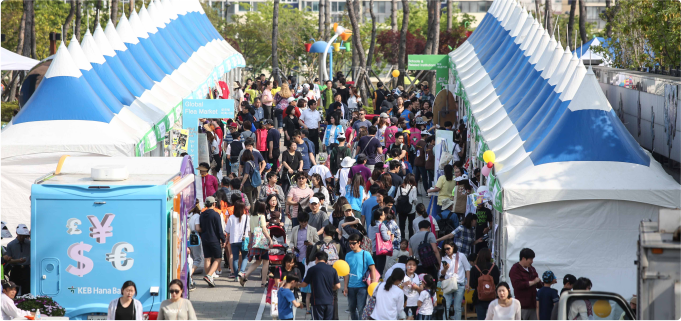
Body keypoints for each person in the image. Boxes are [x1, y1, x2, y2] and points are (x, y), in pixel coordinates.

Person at [343, 234, 378, 321]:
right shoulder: (348, 255)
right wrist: (345, 287)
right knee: (351, 309)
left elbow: (372, 269)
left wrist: (373, 284)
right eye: (350, 243)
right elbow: (346, 272)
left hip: (362, 286)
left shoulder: (366, 254)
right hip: (351, 286)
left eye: (353, 243)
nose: (351, 245)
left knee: (361, 308)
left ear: (359, 243)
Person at [301, 252, 341, 321]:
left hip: (317, 301)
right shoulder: (333, 270)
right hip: (329, 301)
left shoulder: (312, 269)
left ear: (316, 258)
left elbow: (304, 284)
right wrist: (331, 289)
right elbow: (338, 285)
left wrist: (296, 285)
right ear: (326, 260)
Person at [241, 201, 273, 287]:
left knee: (258, 261)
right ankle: (263, 282)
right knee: (266, 261)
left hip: (254, 241)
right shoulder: (261, 216)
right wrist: (270, 239)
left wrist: (250, 244)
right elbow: (264, 229)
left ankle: (245, 275)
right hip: (262, 242)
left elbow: (251, 231)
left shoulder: (251, 216)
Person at [197, 197, 226, 287]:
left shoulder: (202, 214)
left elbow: (201, 227)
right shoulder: (215, 214)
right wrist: (223, 239)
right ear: (214, 204)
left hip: (204, 238)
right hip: (214, 239)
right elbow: (219, 229)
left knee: (207, 258)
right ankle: (209, 275)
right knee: (218, 258)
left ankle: (209, 278)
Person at [440, 240, 471, 321]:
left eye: (448, 248)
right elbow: (441, 273)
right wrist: (445, 268)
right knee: (446, 307)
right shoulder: (444, 257)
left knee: (457, 308)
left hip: (459, 284)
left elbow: (468, 269)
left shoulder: (461, 255)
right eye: (445, 249)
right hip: (448, 284)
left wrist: (468, 283)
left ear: (453, 247)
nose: (447, 251)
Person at [509, 248, 541, 321]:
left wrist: (547, 283)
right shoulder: (515, 269)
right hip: (522, 306)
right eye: (530, 259)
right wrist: (533, 282)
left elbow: (538, 283)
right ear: (523, 258)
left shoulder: (532, 269)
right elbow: (517, 285)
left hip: (533, 304)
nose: (532, 261)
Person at [470, 248, 501, 321]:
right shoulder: (494, 267)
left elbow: (472, 284)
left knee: (481, 318)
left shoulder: (474, 268)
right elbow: (496, 281)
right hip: (492, 297)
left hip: (479, 297)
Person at [226, 200, 249, 280]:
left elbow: (227, 231)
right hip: (244, 240)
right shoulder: (246, 217)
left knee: (235, 258)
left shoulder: (231, 218)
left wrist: (226, 241)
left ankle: (236, 277)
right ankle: (241, 271)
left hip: (233, 240)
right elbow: (249, 230)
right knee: (245, 257)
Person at [368, 205, 393, 275]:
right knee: (379, 271)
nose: (385, 215)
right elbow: (385, 238)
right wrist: (389, 234)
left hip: (372, 250)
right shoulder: (381, 225)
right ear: (380, 217)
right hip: (380, 251)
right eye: (383, 214)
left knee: (374, 271)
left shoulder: (371, 225)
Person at [5, 224, 30, 295]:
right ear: (16, 233)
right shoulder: (11, 245)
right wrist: (18, 260)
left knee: (27, 290)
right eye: (20, 235)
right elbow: (8, 259)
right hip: (16, 269)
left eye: (23, 235)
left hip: (27, 269)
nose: (22, 237)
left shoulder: (30, 244)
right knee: (12, 289)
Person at [396, 173, 417, 238]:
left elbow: (396, 198)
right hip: (411, 209)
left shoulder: (400, 187)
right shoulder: (413, 188)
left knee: (402, 226)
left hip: (401, 209)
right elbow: (414, 199)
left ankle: (402, 240)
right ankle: (410, 239)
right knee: (410, 226)